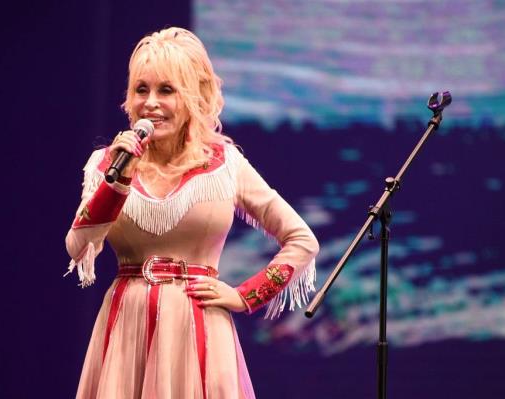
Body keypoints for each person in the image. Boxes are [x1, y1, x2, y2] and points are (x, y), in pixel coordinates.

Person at [65, 27, 319, 399]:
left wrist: (246, 295)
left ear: (194, 98)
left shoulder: (225, 164)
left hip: (198, 328)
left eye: (166, 90)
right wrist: (117, 182)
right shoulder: (107, 164)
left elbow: (302, 240)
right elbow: (77, 246)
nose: (151, 103)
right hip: (128, 327)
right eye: (141, 89)